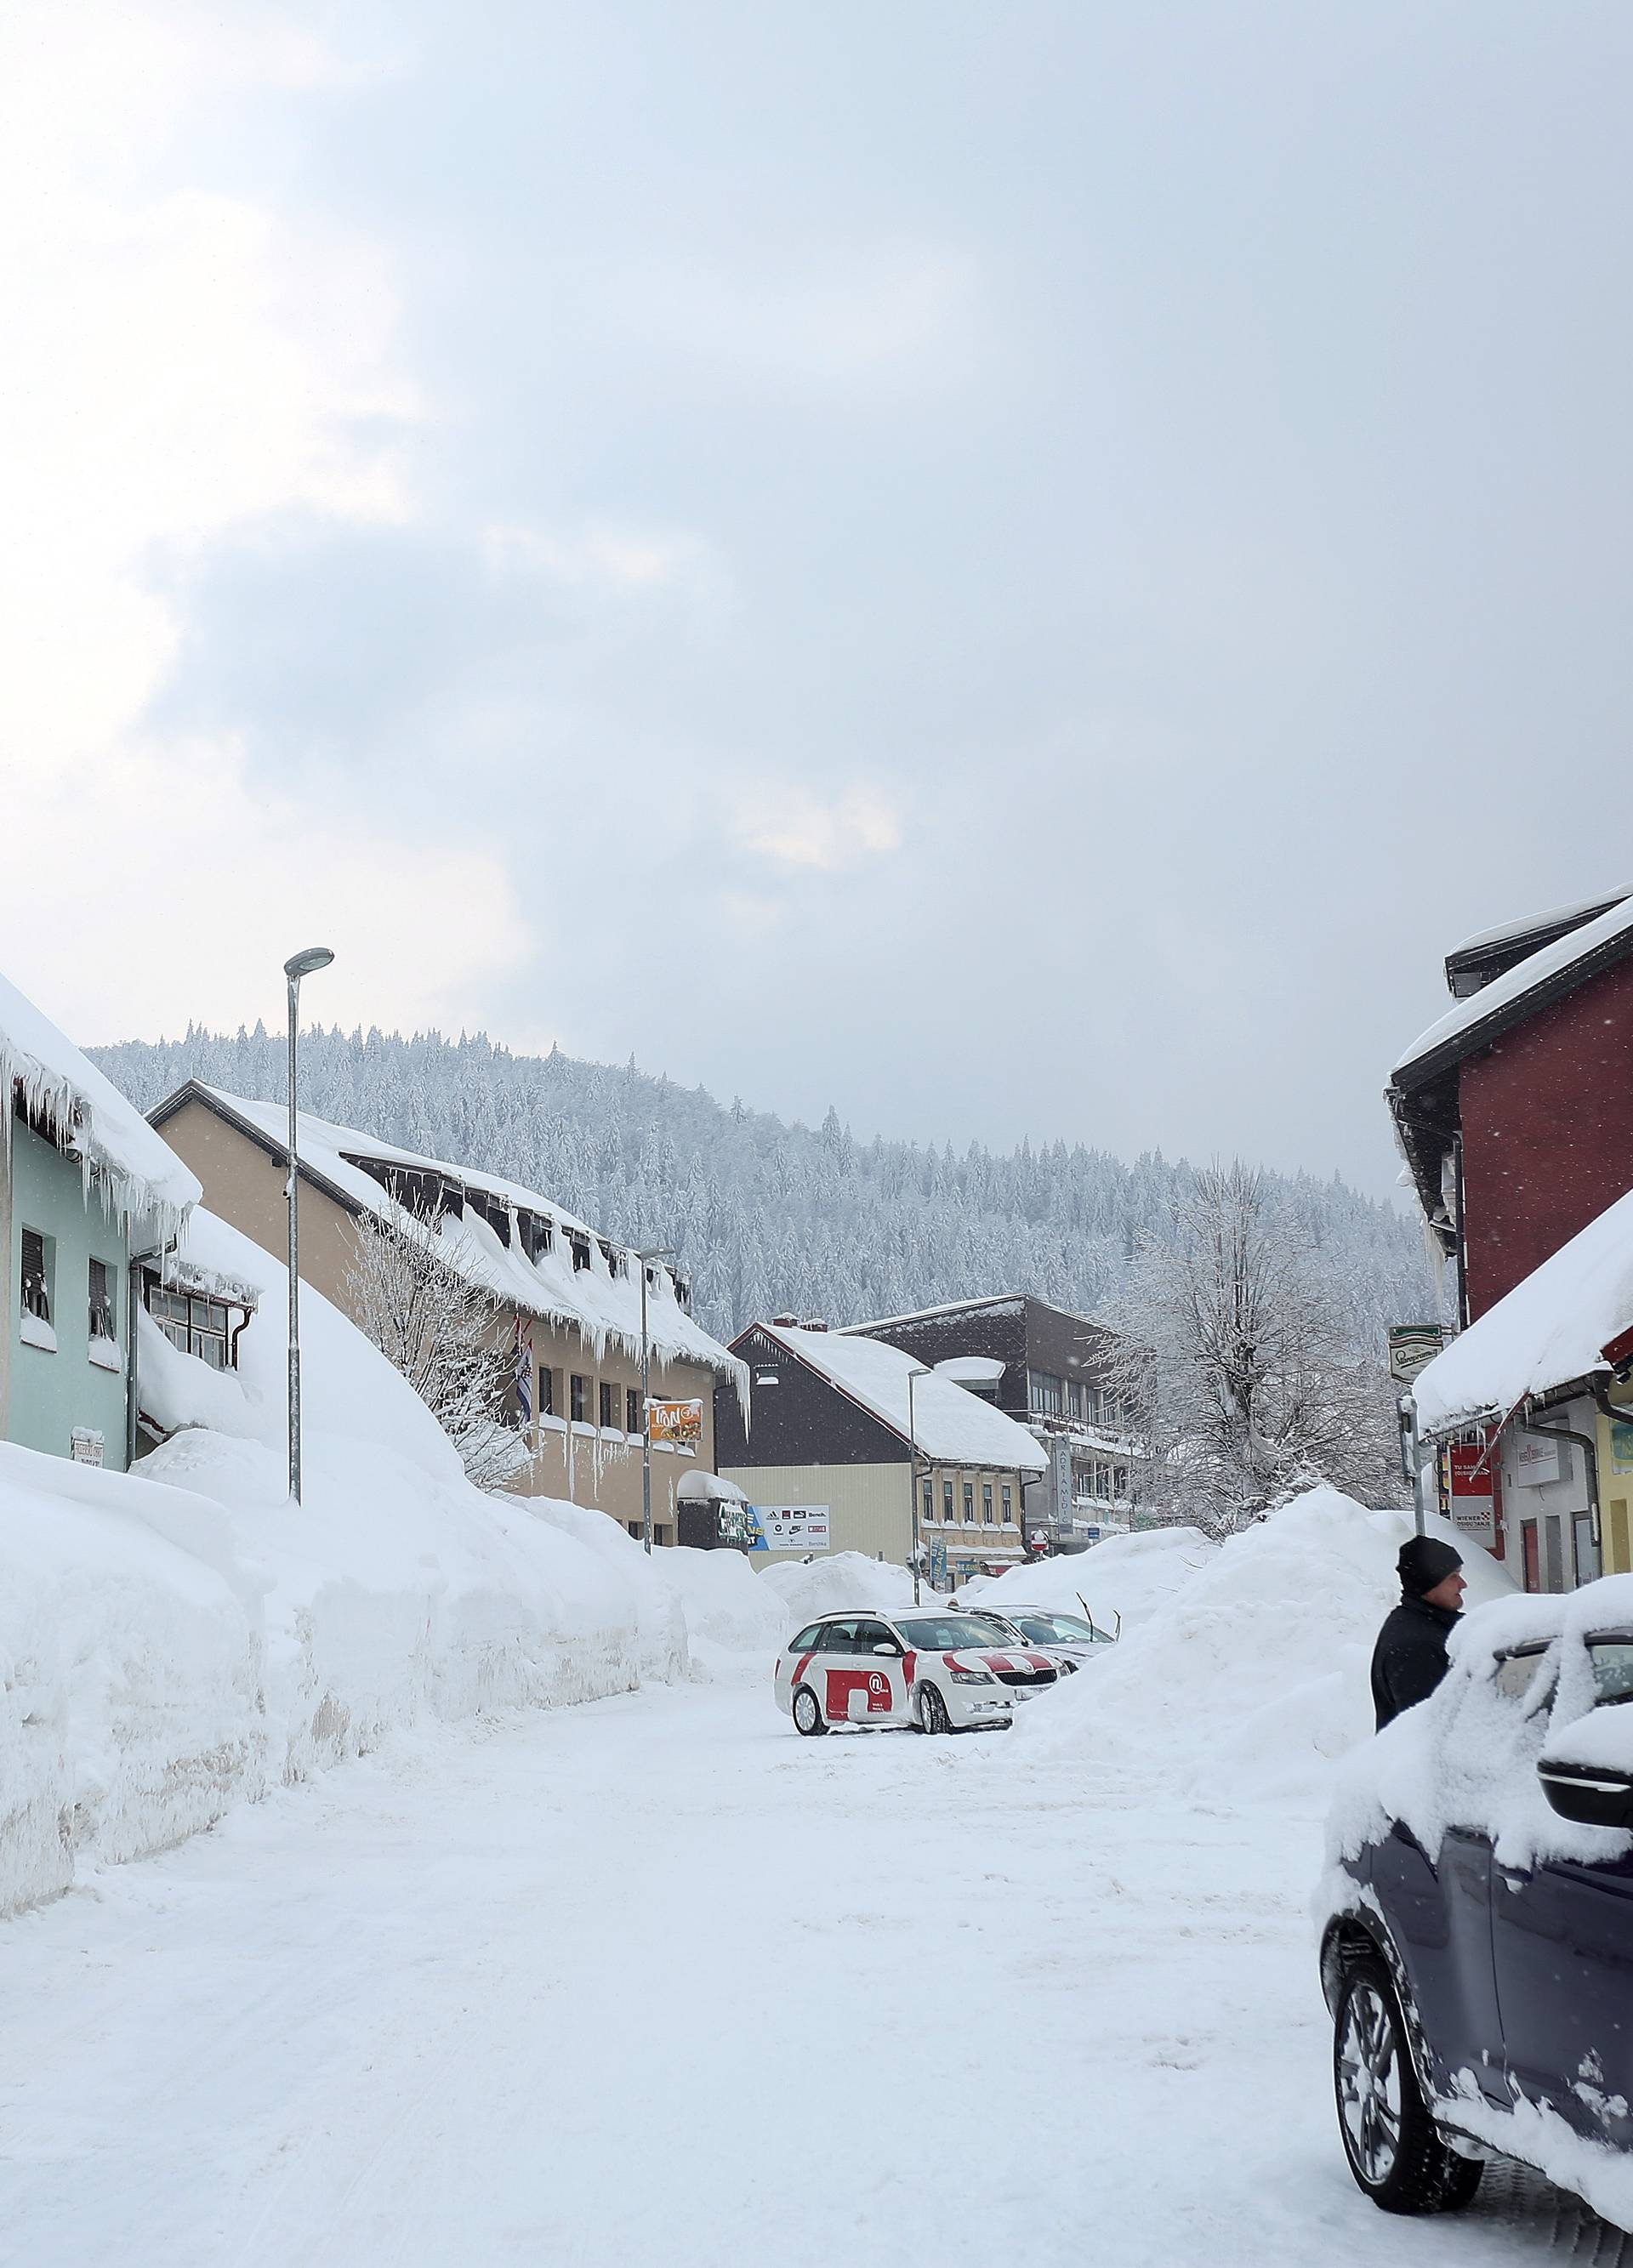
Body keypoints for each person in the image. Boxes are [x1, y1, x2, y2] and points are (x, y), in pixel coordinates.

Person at [1370, 1535, 1468, 1730]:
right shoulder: (1414, 1646)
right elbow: (1429, 1730)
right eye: (1453, 1577)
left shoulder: (1432, 1625)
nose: (1463, 1584)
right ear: (1428, 1585)